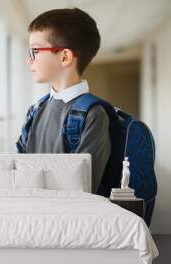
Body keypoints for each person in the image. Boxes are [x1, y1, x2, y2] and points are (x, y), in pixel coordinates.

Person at [16, 8, 111, 193]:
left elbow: (84, 187)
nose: (29, 60)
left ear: (65, 57)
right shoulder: (35, 110)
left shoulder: (93, 115)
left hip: (68, 217)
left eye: (34, 51)